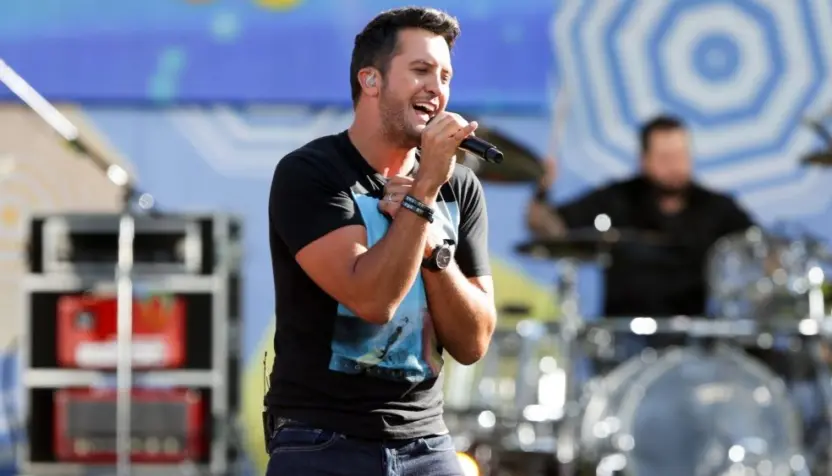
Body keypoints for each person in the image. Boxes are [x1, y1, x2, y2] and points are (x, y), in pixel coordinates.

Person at [264, 7, 496, 476]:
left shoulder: (461, 187)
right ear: (371, 81)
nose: (437, 87)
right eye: (420, 70)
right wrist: (425, 191)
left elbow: (472, 342)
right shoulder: (313, 174)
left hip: (427, 442)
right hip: (321, 439)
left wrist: (432, 244)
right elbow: (372, 299)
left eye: (445, 75)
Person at [527, 115, 754, 319]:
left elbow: (759, 248)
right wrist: (541, 190)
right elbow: (549, 227)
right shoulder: (617, 198)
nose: (675, 165)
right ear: (644, 160)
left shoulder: (715, 207)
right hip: (623, 338)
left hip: (693, 341)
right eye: (665, 157)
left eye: (681, 156)